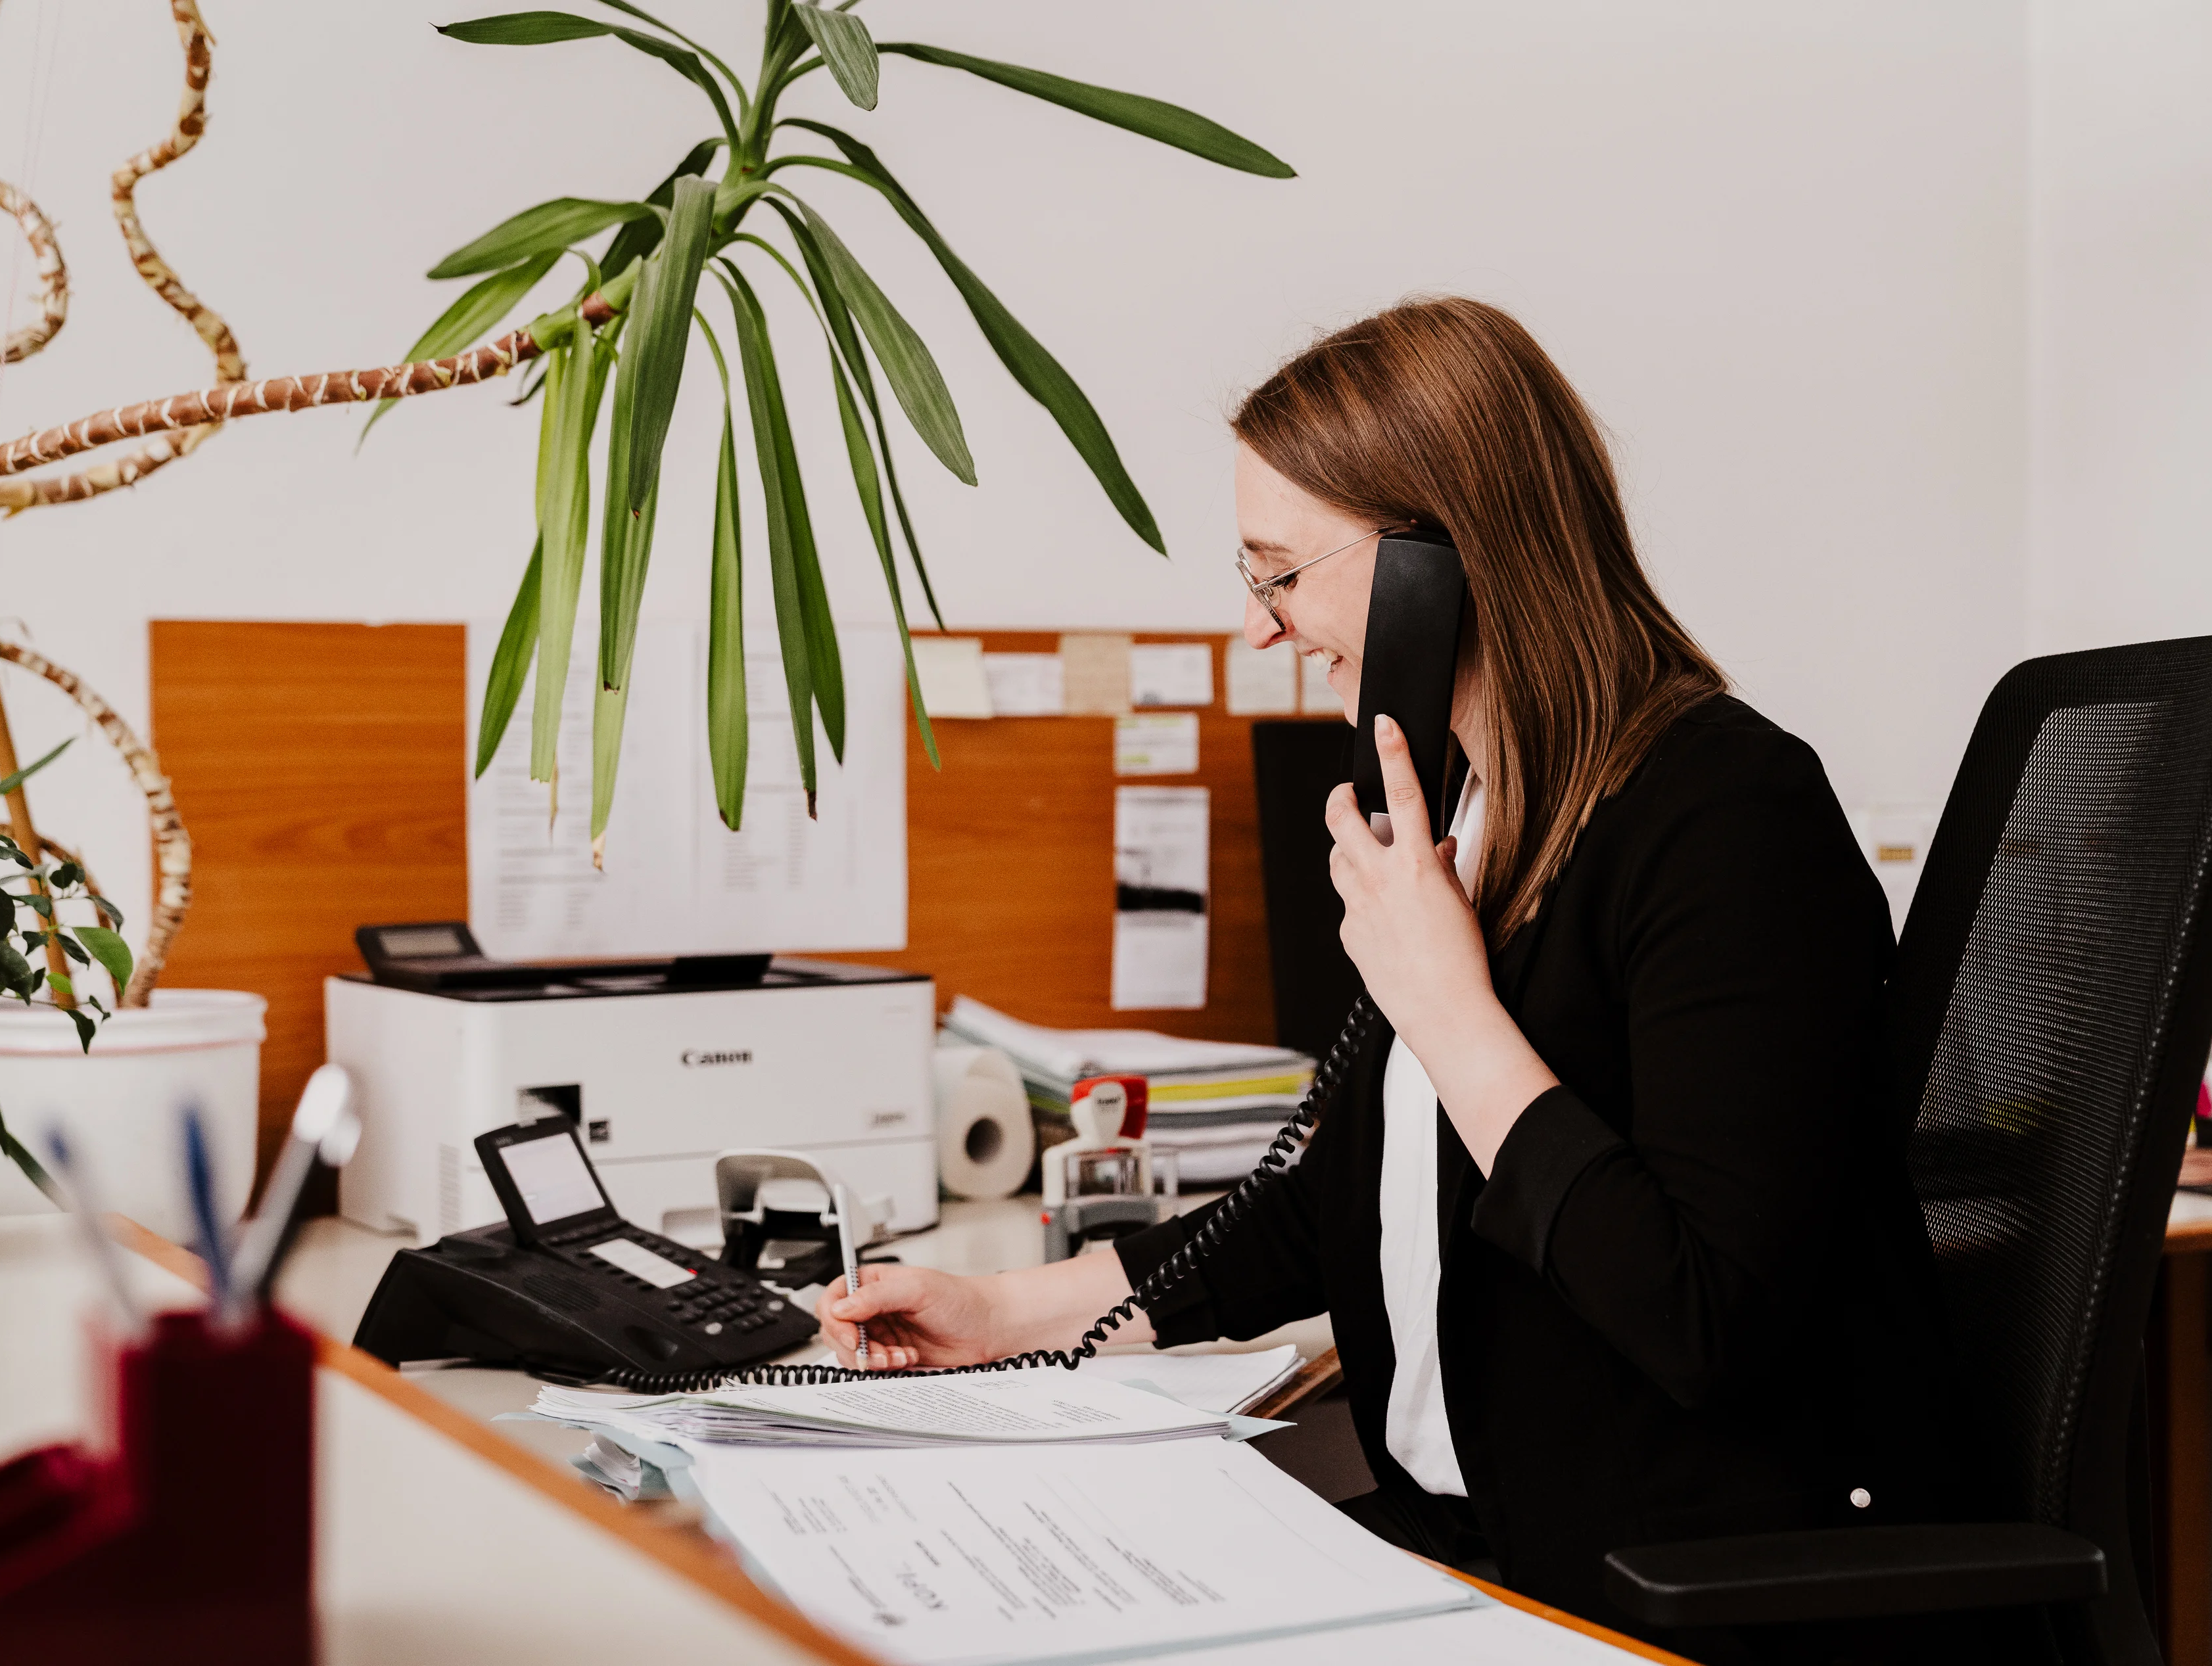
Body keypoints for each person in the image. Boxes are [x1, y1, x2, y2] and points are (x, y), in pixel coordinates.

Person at [819, 298, 1977, 1662]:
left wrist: (1449, 1009)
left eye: (1279, 573)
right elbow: (1339, 1204)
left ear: (1442, 559)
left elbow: (1702, 1316)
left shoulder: (1725, 814)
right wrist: (1005, 1312)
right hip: (1476, 1551)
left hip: (1670, 1596)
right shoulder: (1468, 814)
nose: (1261, 627)